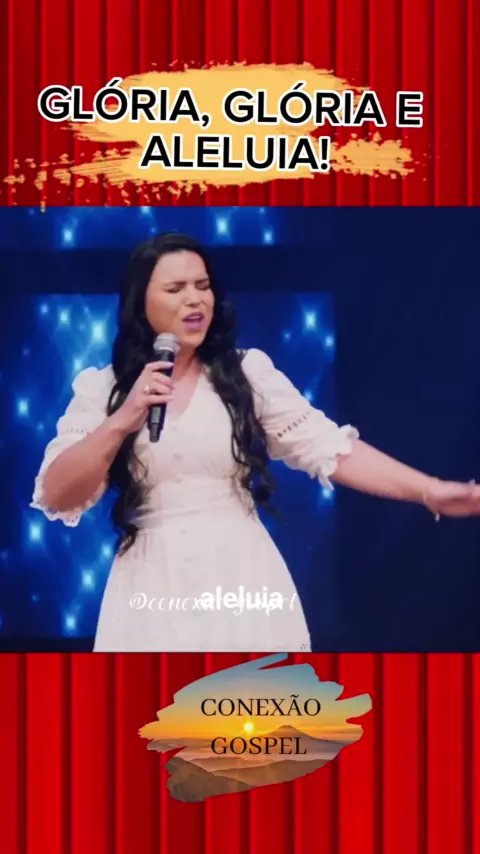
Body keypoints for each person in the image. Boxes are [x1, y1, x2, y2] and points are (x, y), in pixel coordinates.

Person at [31, 233, 480, 652]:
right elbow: (58, 494)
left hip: (239, 573)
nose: (195, 299)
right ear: (140, 302)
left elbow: (328, 448)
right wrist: (121, 420)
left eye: (203, 286)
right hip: (150, 581)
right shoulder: (102, 389)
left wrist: (428, 490)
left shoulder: (245, 374)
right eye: (175, 289)